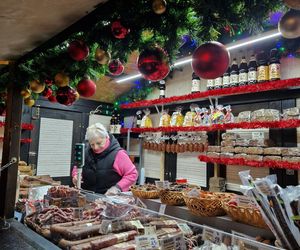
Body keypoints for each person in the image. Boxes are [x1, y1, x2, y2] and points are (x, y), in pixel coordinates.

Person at [72, 123, 138, 195]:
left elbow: (132, 174)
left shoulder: (118, 155)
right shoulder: (85, 152)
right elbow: (77, 167)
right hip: (87, 197)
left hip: (109, 200)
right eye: (92, 144)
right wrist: (76, 175)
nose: (95, 147)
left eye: (99, 143)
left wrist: (117, 188)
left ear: (107, 138)